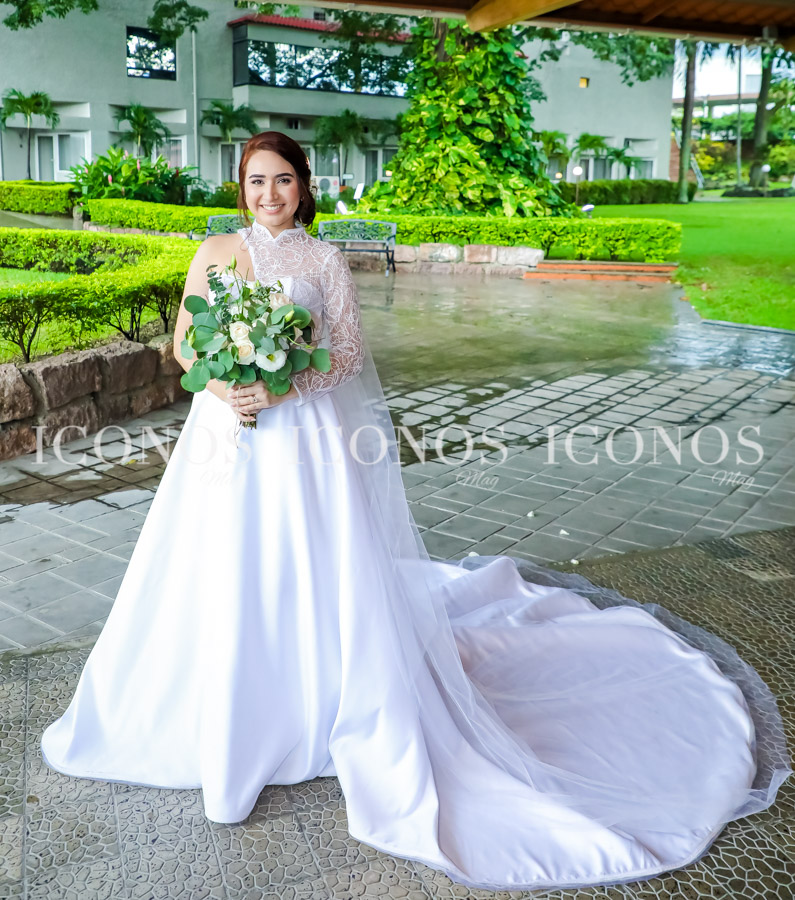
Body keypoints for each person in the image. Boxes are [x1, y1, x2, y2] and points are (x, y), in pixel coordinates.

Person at [40, 131, 791, 893]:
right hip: (223, 436)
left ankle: (322, 697)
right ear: (241, 186)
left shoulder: (321, 260)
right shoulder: (214, 250)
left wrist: (280, 386)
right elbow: (182, 345)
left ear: (304, 187)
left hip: (303, 437)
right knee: (219, 563)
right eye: (256, 181)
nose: (269, 195)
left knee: (311, 563)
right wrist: (223, 387)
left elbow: (346, 355)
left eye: (284, 181)